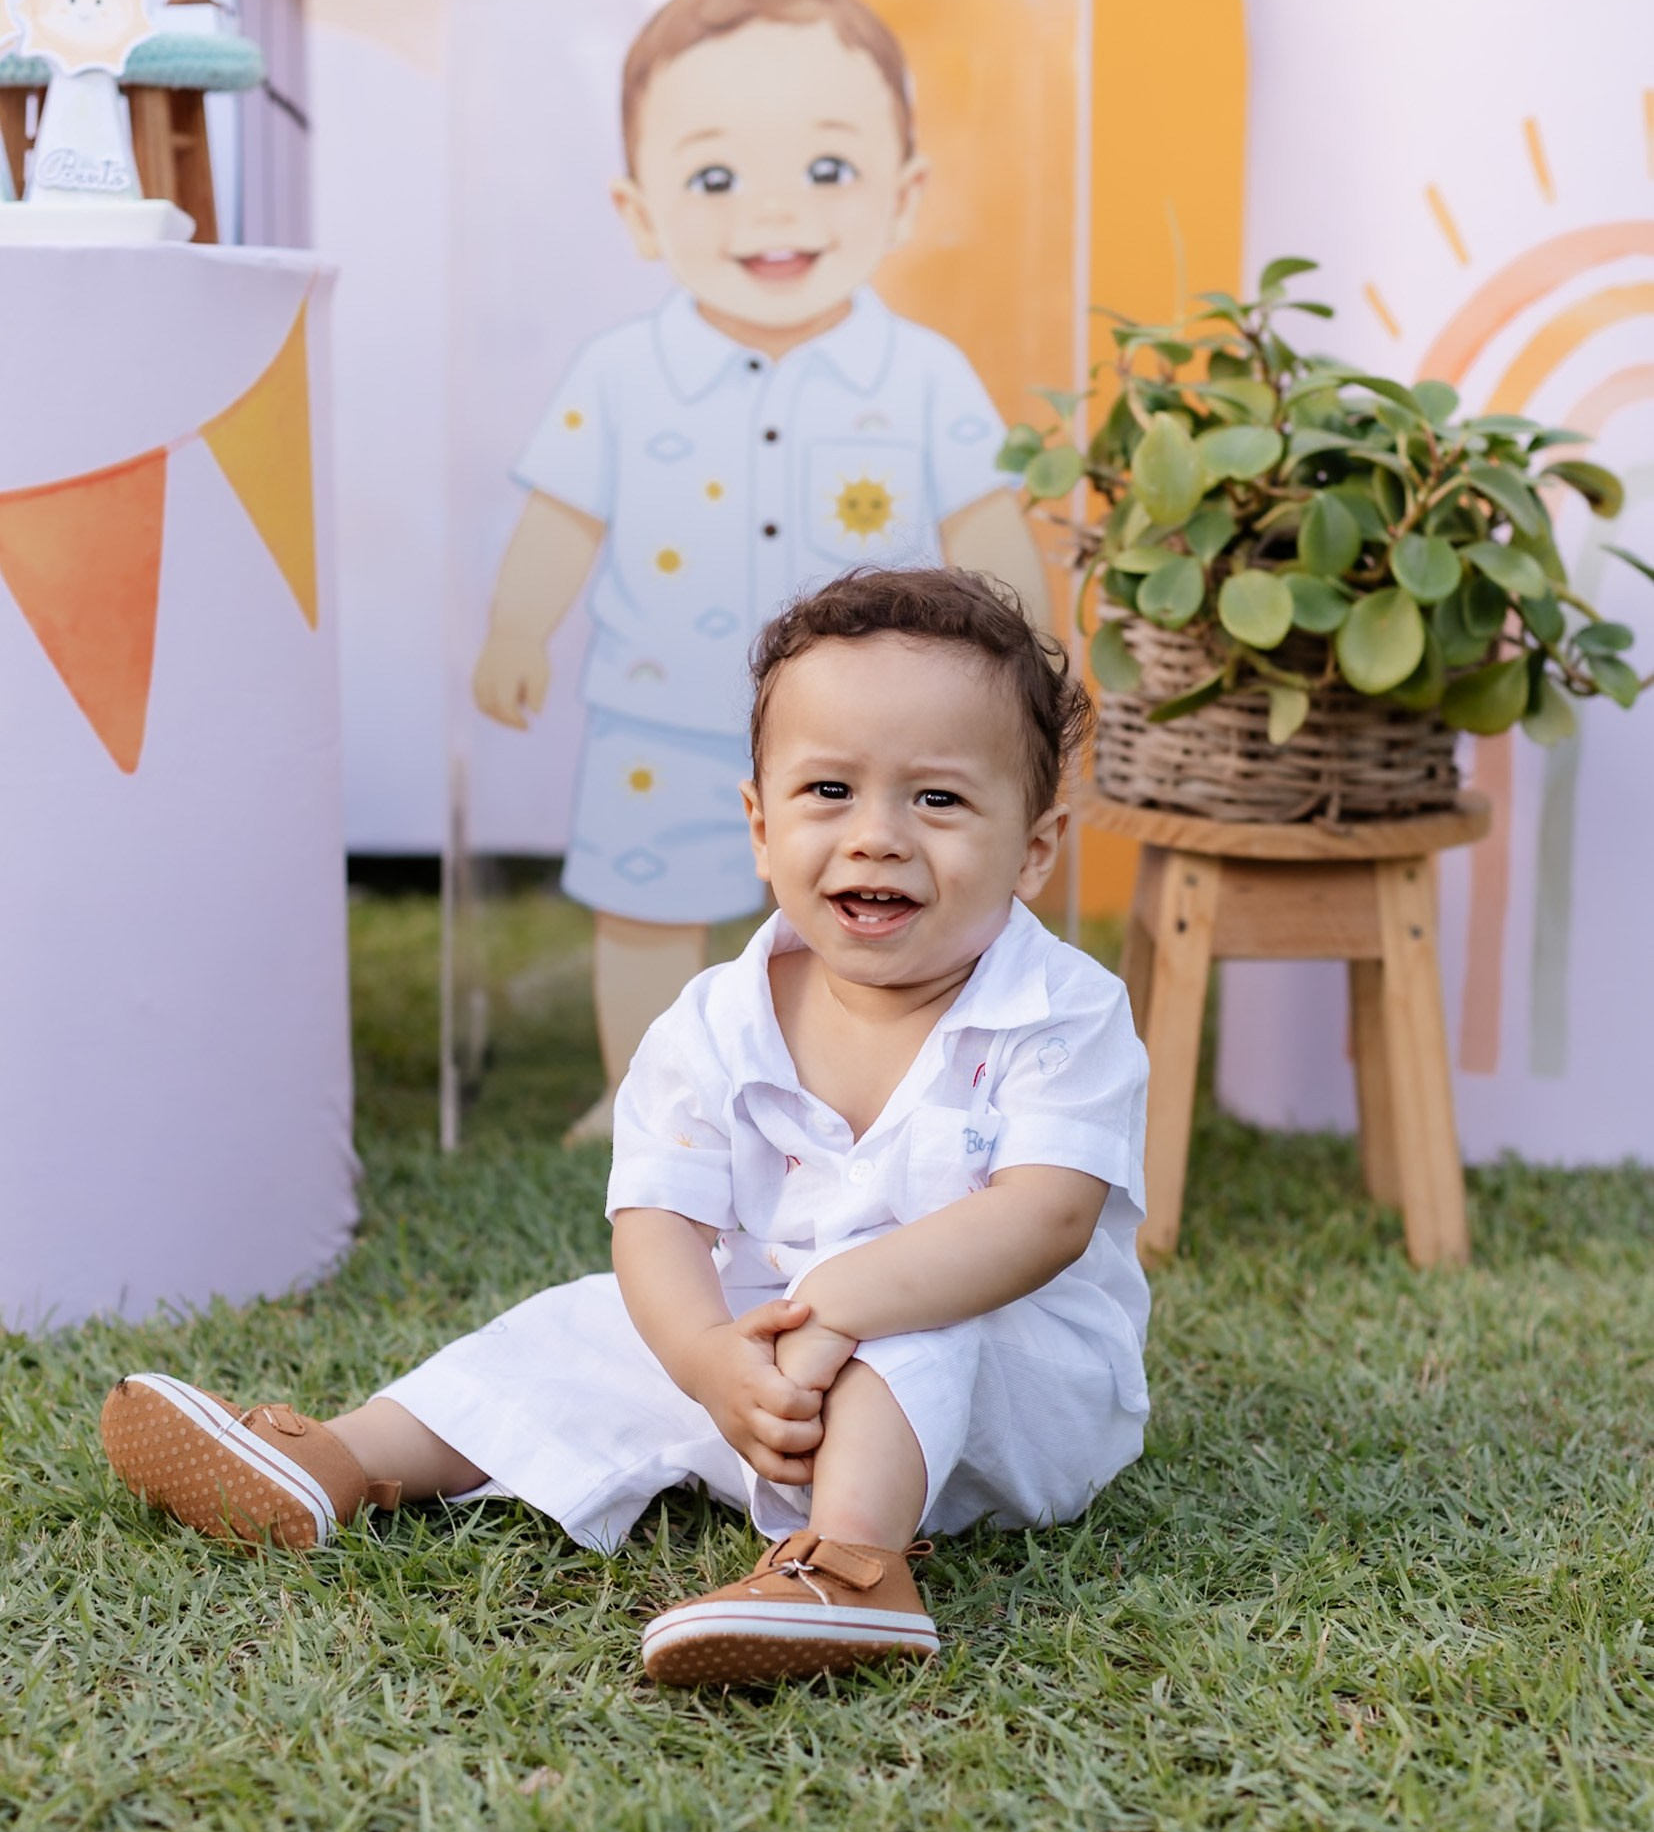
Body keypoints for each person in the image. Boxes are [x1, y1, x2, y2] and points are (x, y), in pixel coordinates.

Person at [102, 569, 1150, 1689]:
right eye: (830, 789)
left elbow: (1041, 1218)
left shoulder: (1061, 1011)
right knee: (585, 1322)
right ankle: (341, 1460)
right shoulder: (715, 1019)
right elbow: (656, 1220)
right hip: (763, 1383)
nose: (878, 836)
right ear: (759, 822)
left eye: (937, 799)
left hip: (1009, 1392)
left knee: (921, 1325)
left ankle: (851, 1569)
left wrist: (844, 1302)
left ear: (1035, 847)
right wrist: (707, 1360)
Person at [468, 0, 1051, 1137]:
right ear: (638, 211)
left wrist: (1036, 658)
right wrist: (516, 625)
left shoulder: (925, 374)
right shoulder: (620, 376)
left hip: (879, 737)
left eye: (828, 168)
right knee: (649, 910)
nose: (771, 213)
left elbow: (987, 525)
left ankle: (882, 1088)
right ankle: (652, 1098)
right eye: (715, 175)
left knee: (883, 898)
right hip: (662, 708)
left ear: (904, 194)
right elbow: (565, 515)